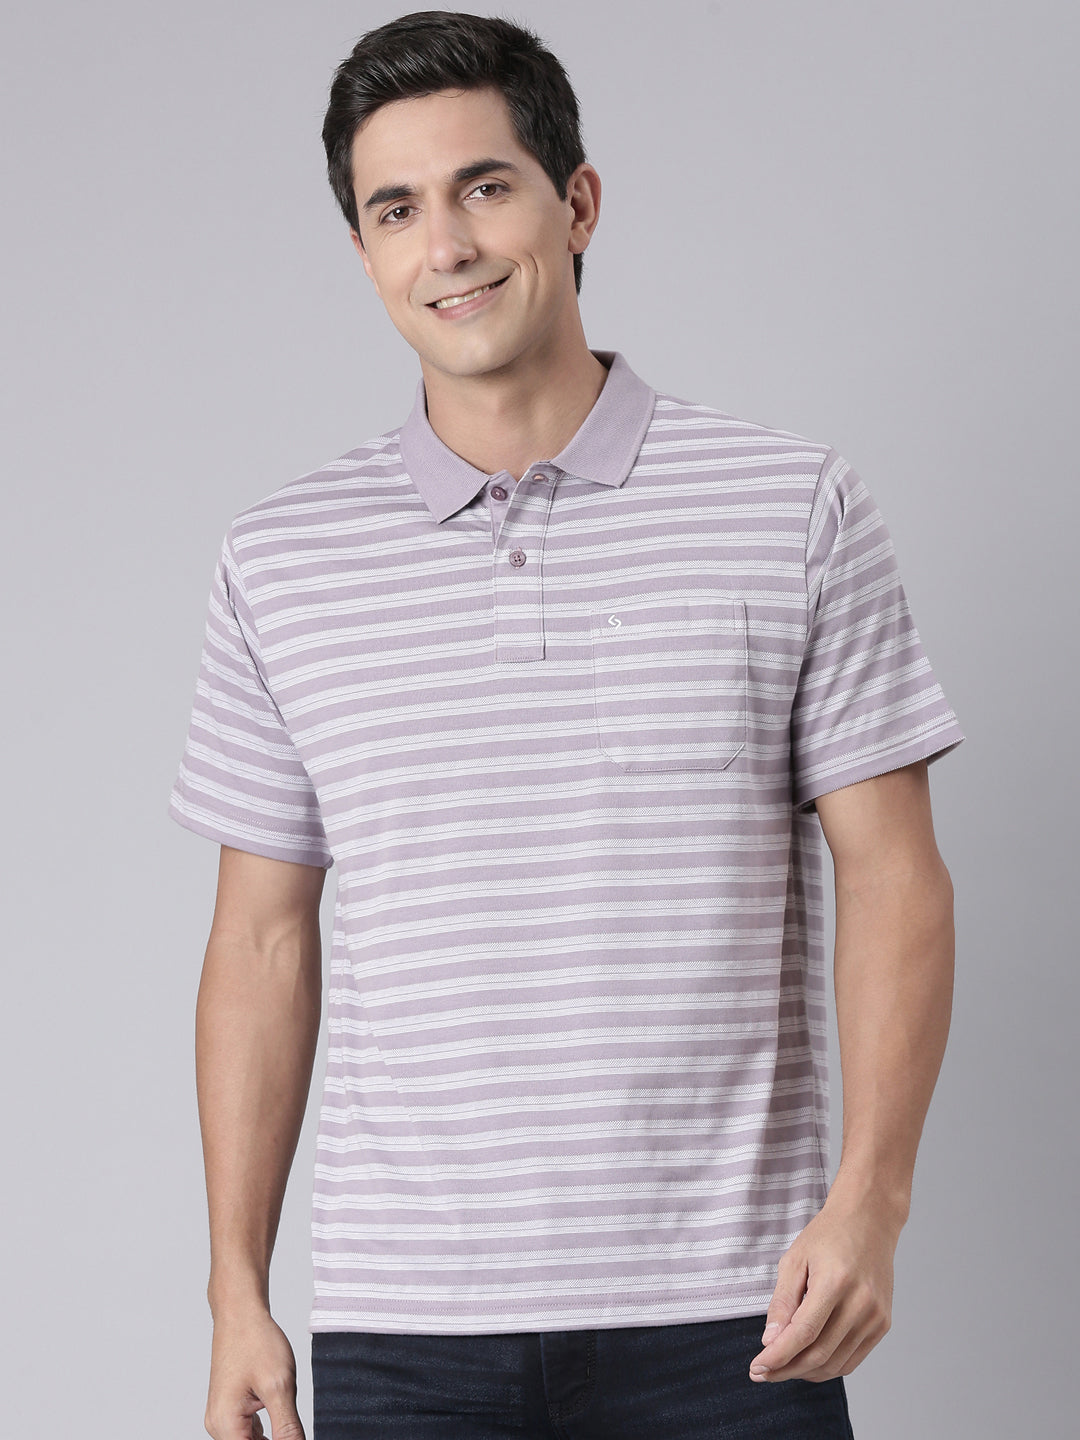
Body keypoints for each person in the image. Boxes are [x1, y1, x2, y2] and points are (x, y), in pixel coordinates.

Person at [168, 10, 965, 1439]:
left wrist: (872, 1201)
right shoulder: (280, 560)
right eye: (395, 210)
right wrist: (236, 1288)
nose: (446, 246)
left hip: (734, 1317)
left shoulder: (789, 505)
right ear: (364, 252)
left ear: (577, 202)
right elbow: (261, 944)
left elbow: (895, 875)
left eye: (485, 187)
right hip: (407, 1328)